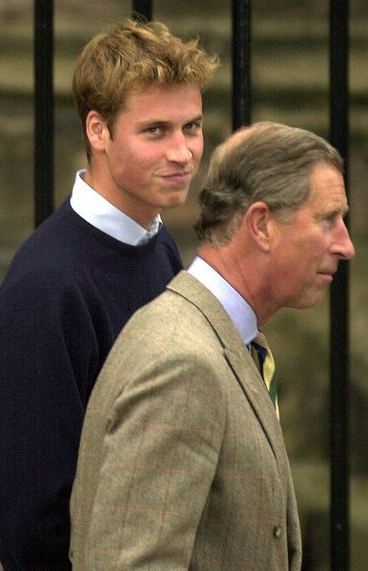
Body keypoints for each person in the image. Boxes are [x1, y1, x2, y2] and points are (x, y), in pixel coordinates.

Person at [0, 18, 218, 570]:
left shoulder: (155, 245)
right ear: (98, 130)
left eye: (193, 126)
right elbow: (32, 523)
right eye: (155, 130)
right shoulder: (46, 292)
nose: (183, 152)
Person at [69, 121, 355, 570]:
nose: (346, 244)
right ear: (261, 224)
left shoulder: (227, 342)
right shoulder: (183, 363)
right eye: (327, 219)